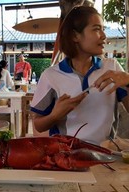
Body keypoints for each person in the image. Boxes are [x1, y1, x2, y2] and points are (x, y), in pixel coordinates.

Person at [30, 6, 129, 145]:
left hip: (105, 155)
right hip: (66, 156)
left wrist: (128, 81)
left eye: (103, 29)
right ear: (75, 36)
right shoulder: (51, 76)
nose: (104, 36)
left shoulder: (111, 67)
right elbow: (39, 125)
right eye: (96, 29)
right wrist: (54, 115)